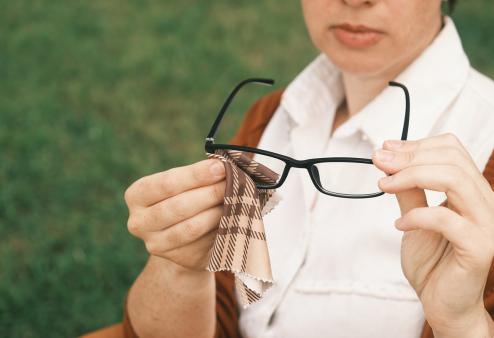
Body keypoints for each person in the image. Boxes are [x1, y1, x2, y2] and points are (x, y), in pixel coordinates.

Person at [122, 0, 494, 337]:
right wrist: (180, 267)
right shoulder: (271, 117)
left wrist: (462, 324)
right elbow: (217, 310)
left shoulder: (484, 148)